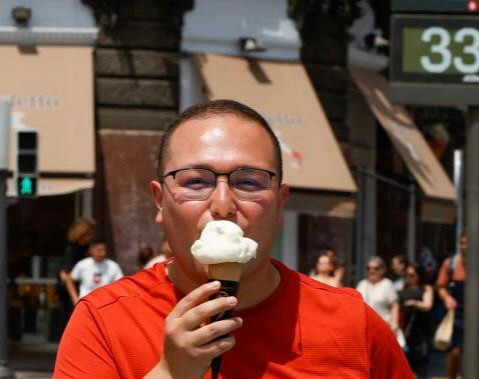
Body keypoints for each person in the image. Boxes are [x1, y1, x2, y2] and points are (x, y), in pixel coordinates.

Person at [55, 99, 411, 378]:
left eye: (250, 182)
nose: (223, 205)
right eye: (196, 181)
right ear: (160, 201)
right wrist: (170, 372)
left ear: (280, 204)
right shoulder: (103, 321)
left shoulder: (352, 324)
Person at [436, 235, 479, 379]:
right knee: (455, 350)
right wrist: (447, 298)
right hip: (456, 312)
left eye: (467, 243)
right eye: (462, 243)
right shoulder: (450, 263)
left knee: (471, 351)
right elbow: (440, 286)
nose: (464, 246)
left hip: (474, 313)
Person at [398, 263, 433, 379]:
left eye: (413, 275)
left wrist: (415, 303)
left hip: (421, 330)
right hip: (405, 331)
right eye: (408, 275)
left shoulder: (426, 288)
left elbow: (428, 305)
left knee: (421, 362)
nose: (410, 277)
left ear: (419, 275)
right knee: (406, 363)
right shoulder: (402, 288)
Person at [58, 217, 96, 320]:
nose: (92, 236)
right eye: (90, 233)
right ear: (83, 233)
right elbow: (65, 274)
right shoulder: (73, 250)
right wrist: (75, 298)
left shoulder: (87, 248)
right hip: (73, 293)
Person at [356, 256, 401, 333]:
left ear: (382, 270)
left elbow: (394, 306)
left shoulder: (387, 284)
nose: (371, 271)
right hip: (365, 328)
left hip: (384, 327)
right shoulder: (362, 284)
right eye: (368, 268)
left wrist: (394, 325)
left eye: (375, 268)